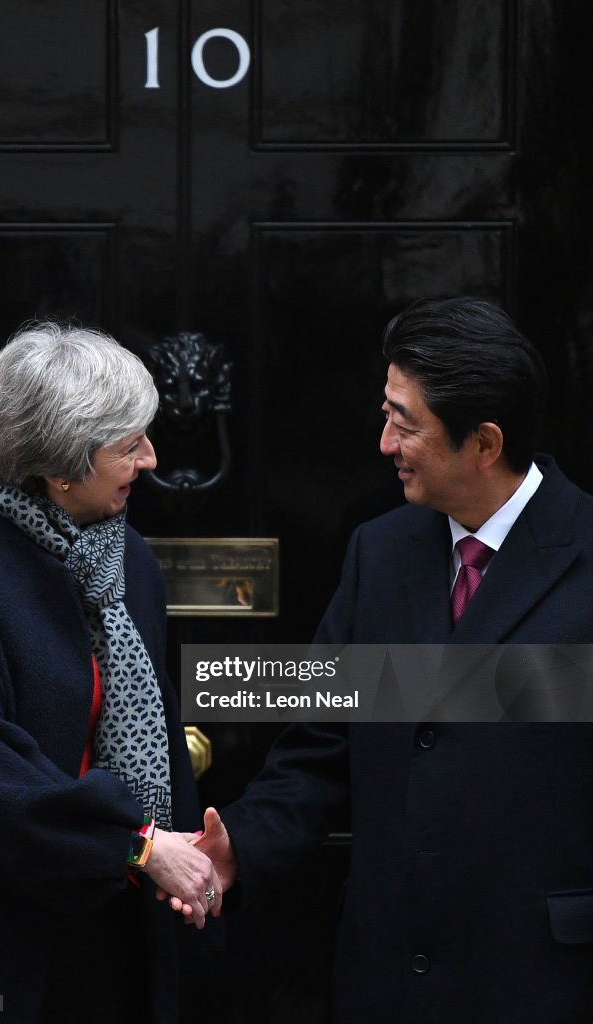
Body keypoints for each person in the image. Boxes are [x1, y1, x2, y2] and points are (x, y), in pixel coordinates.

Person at [174, 297, 593, 1023]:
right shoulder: (382, 549)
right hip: (389, 979)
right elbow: (321, 743)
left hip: (539, 981)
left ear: (484, 444)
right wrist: (240, 842)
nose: (384, 442)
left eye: (405, 422)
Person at [0, 323, 221, 1024]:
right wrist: (137, 845)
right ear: (58, 467)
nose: (151, 459)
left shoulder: (129, 557)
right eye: (127, 445)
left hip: (118, 927)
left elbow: (158, 734)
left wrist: (188, 856)